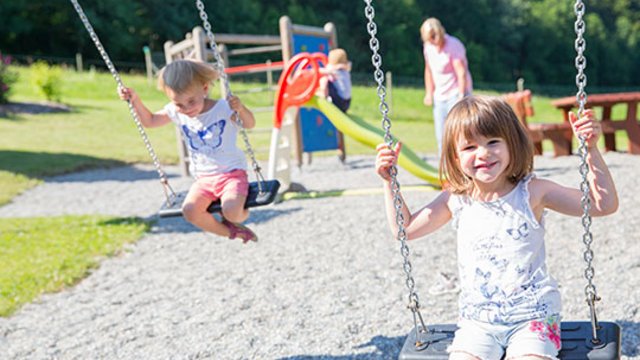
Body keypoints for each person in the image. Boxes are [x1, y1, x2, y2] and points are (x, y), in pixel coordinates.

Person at [375, 96, 618, 359]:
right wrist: (389, 182)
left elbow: (602, 204)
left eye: (493, 142)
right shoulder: (455, 199)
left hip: (532, 318)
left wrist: (591, 150)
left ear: (512, 145)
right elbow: (405, 229)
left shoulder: (533, 193)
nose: (483, 153)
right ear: (455, 158)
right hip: (477, 322)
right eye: (469, 147)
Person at [118, 59, 258, 243]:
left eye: (191, 101)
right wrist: (134, 100)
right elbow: (150, 121)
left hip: (231, 174)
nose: (186, 109)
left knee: (232, 211)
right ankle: (233, 232)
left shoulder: (223, 108)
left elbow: (250, 124)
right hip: (203, 179)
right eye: (179, 104)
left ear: (205, 88)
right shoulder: (176, 112)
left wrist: (241, 109)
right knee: (190, 211)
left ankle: (234, 217)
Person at [420, 17, 473, 156]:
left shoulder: (453, 45)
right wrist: (429, 93)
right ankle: (444, 169)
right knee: (441, 136)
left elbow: (461, 72)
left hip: (456, 93)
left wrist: (461, 95)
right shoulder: (428, 47)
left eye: (434, 36)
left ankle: (462, 166)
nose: (432, 40)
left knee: (459, 133)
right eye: (429, 38)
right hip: (440, 95)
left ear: (439, 32)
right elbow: (429, 70)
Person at [318, 48, 352, 161]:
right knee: (331, 80)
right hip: (347, 103)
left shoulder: (333, 69)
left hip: (338, 101)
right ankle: (324, 94)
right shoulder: (346, 69)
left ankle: (322, 94)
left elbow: (321, 71)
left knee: (324, 79)